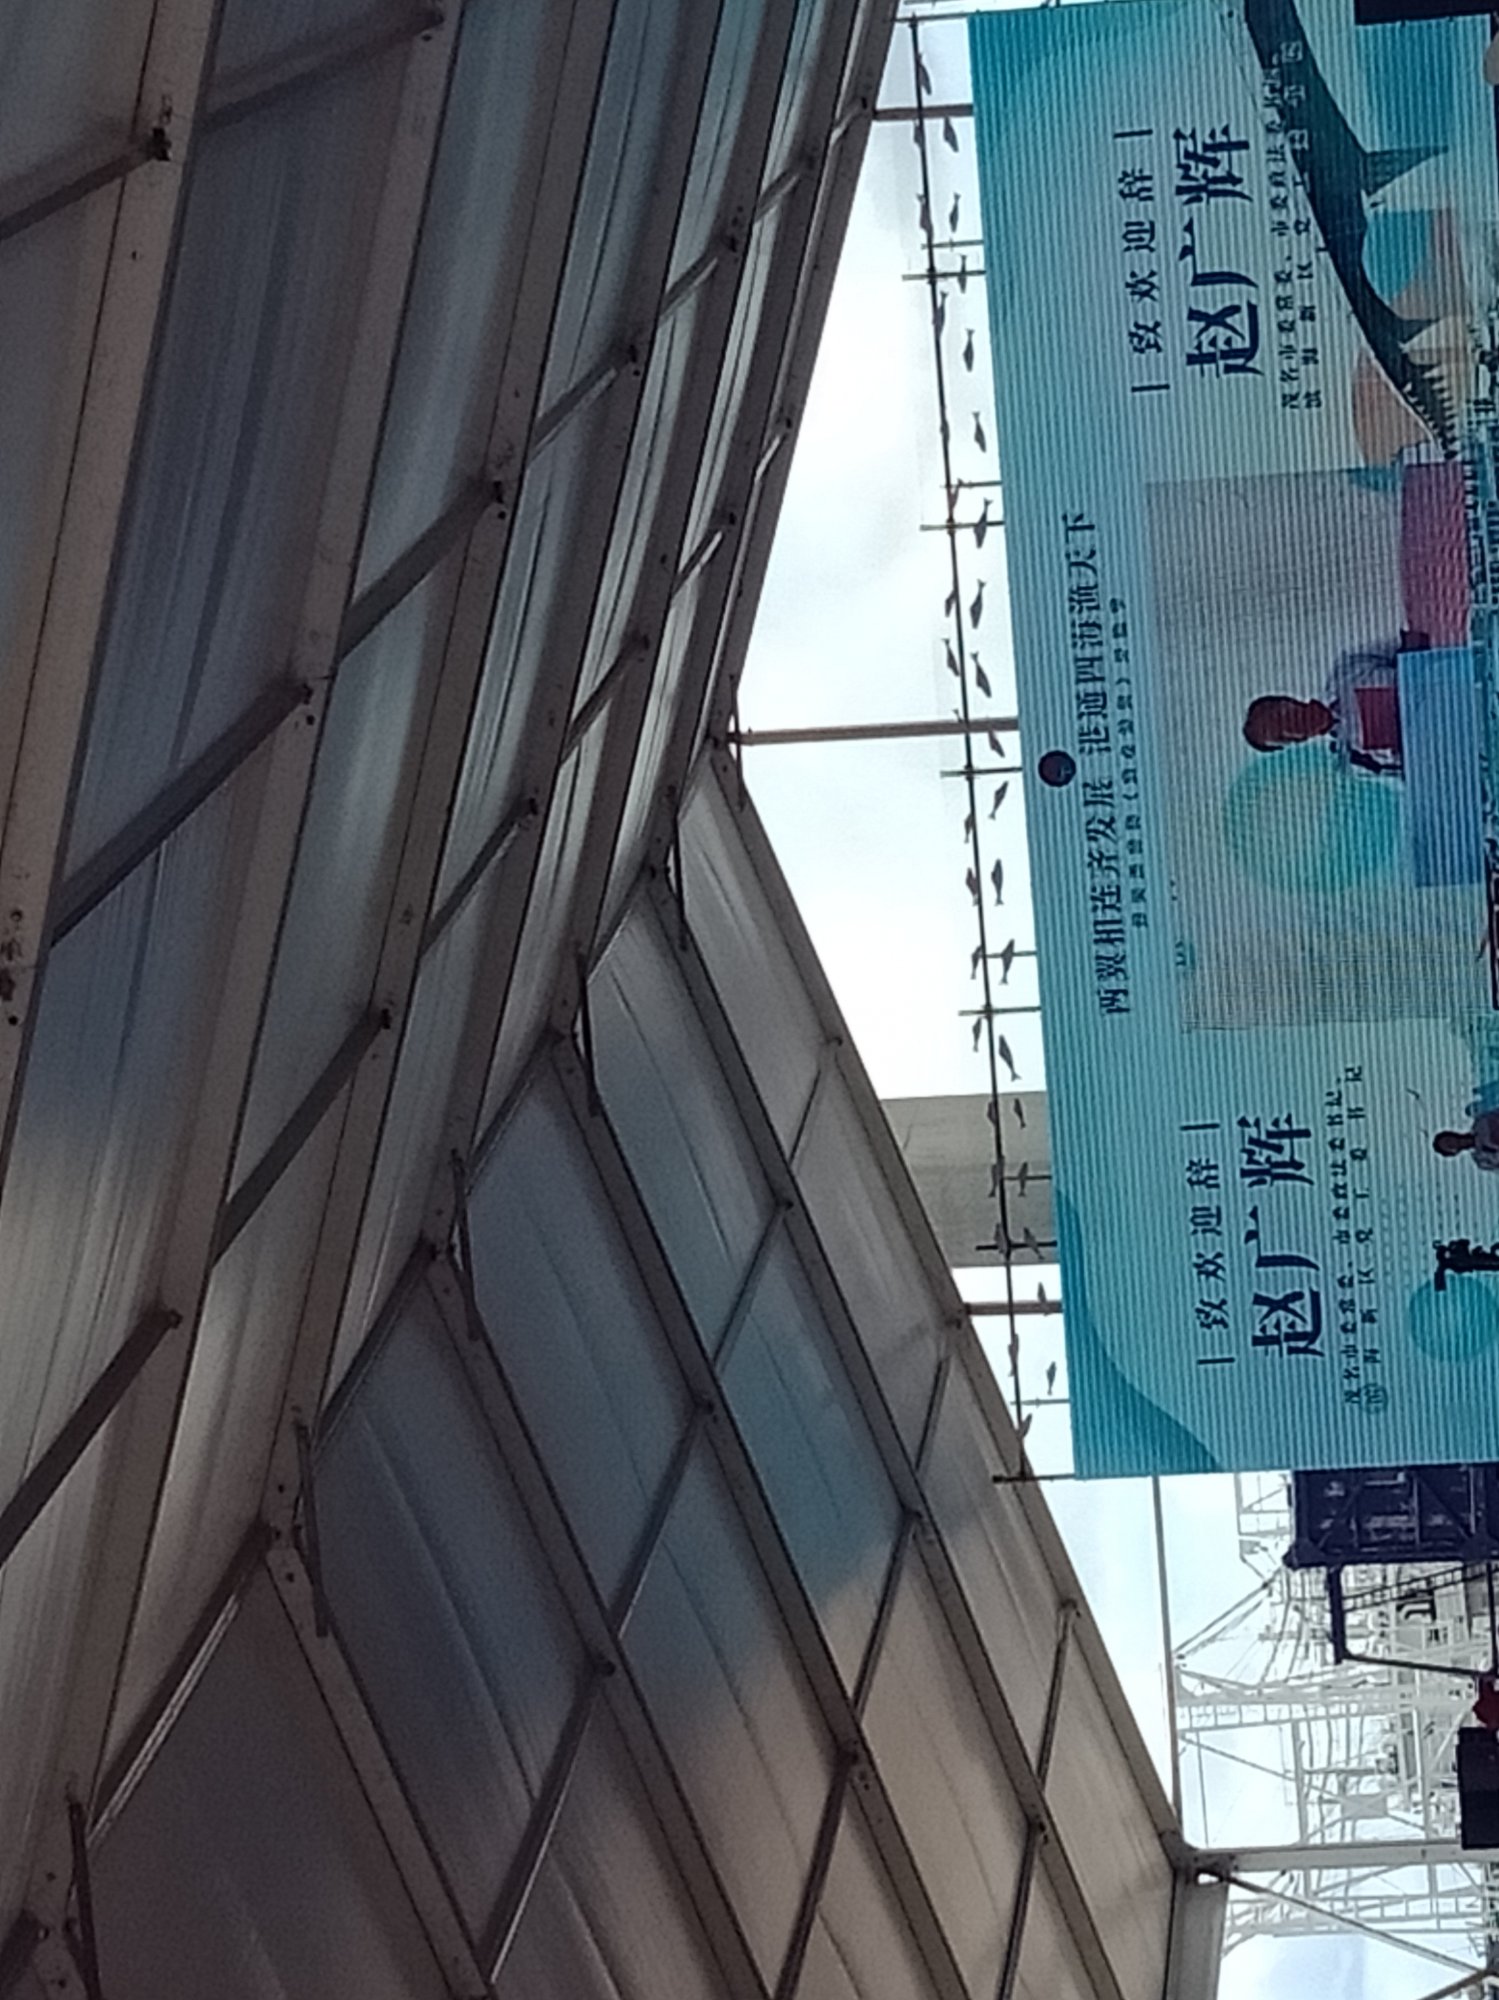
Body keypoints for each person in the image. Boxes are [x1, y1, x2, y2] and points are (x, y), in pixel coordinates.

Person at [1243, 632, 1430, 776]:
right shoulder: (1355, 760)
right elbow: (1417, 774)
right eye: (1282, 736)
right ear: (1296, 742)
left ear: (1288, 700)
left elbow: (1416, 640)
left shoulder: (1347, 668)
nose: (1289, 728)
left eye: (1280, 718)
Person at [1433, 1105, 1499, 1171]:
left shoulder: (1481, 1123)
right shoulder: (1482, 1159)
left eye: (1448, 1141)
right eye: (1449, 1146)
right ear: (1453, 1153)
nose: (1452, 1143)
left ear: (1451, 1134)